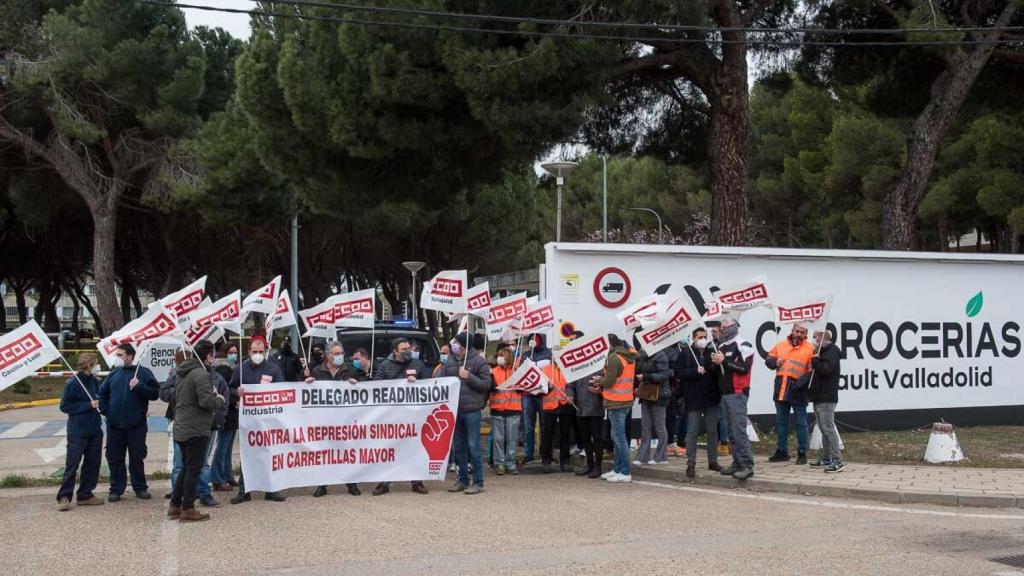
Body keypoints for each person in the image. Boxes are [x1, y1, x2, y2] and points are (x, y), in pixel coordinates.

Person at [168, 339, 226, 522]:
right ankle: (188, 507)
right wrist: (220, 400)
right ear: (209, 355)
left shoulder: (182, 372)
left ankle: (175, 504)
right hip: (196, 428)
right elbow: (206, 401)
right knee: (193, 469)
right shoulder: (200, 374)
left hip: (182, 426)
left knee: (186, 467)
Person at [371, 337, 433, 496]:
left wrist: (417, 383)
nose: (408, 351)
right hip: (392, 415)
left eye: (409, 348)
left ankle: (416, 481)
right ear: (395, 352)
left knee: (414, 447)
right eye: (404, 349)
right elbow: (376, 387)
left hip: (413, 415)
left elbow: (429, 386)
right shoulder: (385, 365)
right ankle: (384, 482)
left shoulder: (417, 364)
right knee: (389, 448)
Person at [98, 343, 160, 502]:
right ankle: (116, 489)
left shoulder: (144, 373)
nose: (117, 358)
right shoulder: (113, 374)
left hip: (136, 426)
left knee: (136, 457)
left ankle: (140, 487)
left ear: (130, 357)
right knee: (115, 458)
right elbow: (102, 393)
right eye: (116, 355)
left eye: (120, 355)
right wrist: (106, 411)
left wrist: (139, 386)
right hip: (115, 425)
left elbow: (154, 394)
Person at [230, 336, 287, 504]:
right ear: (248, 351)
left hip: (269, 419)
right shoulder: (241, 369)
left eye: (260, 352)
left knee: (270, 453)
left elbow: (282, 390)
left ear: (266, 352)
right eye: (254, 352)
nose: (257, 354)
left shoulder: (273, 369)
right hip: (248, 421)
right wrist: (236, 394)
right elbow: (229, 388)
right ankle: (244, 490)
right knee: (247, 455)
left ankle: (271, 489)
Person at [307, 341, 365, 498]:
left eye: (341, 353)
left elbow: (364, 392)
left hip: (345, 420)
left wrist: (356, 384)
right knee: (324, 452)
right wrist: (308, 384)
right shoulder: (317, 371)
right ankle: (322, 485)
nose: (340, 356)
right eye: (336, 354)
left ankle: (351, 483)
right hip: (324, 421)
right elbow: (305, 393)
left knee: (347, 452)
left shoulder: (350, 371)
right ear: (327, 355)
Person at [443, 332, 492, 494]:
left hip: (472, 410)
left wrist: (469, 376)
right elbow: (441, 379)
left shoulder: (479, 361)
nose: (454, 345)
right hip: (455, 410)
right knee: (459, 447)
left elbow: (486, 384)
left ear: (464, 345)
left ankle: (478, 482)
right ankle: (462, 480)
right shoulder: (451, 360)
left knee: (474, 446)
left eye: (457, 342)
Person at [56, 353, 105, 511]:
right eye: (96, 364)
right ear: (89, 365)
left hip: (95, 430)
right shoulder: (73, 383)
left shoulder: (95, 382)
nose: (98, 367)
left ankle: (85, 494)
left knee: (92, 464)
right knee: (72, 464)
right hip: (78, 431)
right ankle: (65, 496)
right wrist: (88, 405)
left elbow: (101, 401)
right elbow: (65, 406)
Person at [711, 319, 756, 480]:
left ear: (733, 327)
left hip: (738, 393)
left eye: (724, 327)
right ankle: (737, 462)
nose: (721, 329)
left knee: (739, 430)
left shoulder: (744, 344)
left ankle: (746, 465)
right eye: (721, 327)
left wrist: (724, 361)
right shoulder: (721, 347)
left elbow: (744, 368)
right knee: (730, 431)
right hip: (724, 394)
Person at [766, 323, 815, 464]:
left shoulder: (810, 348)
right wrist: (776, 362)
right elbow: (768, 361)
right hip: (781, 387)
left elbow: (812, 371)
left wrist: (799, 384)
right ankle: (782, 451)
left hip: (798, 389)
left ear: (806, 334)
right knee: (781, 422)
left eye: (802, 332)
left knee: (801, 423)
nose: (799, 334)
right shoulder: (780, 345)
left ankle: (802, 453)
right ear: (792, 331)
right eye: (797, 331)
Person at [676, 328, 721, 478]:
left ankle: (713, 461)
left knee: (712, 431)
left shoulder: (712, 351)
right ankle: (691, 463)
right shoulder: (686, 354)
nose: (703, 339)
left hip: (711, 398)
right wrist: (695, 371)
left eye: (705, 336)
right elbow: (678, 372)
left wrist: (715, 365)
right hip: (693, 398)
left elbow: (719, 373)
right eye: (700, 337)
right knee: (692, 431)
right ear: (694, 339)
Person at [594, 334, 636, 483]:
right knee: (617, 437)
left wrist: (600, 380)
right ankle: (617, 469)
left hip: (615, 401)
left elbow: (610, 381)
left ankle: (624, 472)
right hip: (625, 401)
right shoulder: (628, 357)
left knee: (619, 439)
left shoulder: (613, 358)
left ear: (610, 344)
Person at [808, 330, 843, 473]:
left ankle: (837, 460)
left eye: (816, 336)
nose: (813, 339)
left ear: (823, 338)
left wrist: (815, 360)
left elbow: (826, 370)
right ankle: (826, 458)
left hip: (827, 396)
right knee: (823, 429)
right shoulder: (822, 351)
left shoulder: (831, 352)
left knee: (828, 428)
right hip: (819, 395)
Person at [633, 334, 672, 466]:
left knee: (660, 427)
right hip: (645, 395)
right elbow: (637, 371)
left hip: (659, 396)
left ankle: (661, 456)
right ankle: (643, 456)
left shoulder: (661, 356)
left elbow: (664, 375)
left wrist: (646, 376)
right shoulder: (642, 357)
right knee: (645, 427)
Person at [567, 349, 604, 479]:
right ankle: (589, 465)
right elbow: (570, 385)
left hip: (595, 409)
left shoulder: (599, 366)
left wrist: (600, 389)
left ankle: (598, 467)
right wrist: (570, 395)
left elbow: (606, 383)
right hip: (580, 409)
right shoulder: (577, 368)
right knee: (585, 439)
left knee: (597, 438)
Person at [210, 343, 239, 491]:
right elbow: (225, 391)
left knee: (228, 447)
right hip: (227, 411)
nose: (234, 354)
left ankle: (227, 475)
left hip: (232, 412)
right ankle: (217, 477)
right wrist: (236, 398)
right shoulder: (224, 369)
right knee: (223, 446)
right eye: (231, 352)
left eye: (235, 352)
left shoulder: (232, 368)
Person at [539, 353, 574, 474]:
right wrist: (548, 387)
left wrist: (571, 395)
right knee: (548, 434)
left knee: (565, 434)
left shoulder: (569, 369)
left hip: (565, 404)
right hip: (550, 406)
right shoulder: (545, 370)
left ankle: (565, 461)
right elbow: (539, 389)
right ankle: (546, 460)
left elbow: (571, 385)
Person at [489, 345, 521, 475]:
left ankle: (510, 463)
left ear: (508, 358)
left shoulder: (517, 372)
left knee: (512, 439)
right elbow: (490, 388)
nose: (499, 358)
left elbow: (521, 390)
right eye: (498, 356)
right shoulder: (492, 372)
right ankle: (500, 464)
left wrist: (517, 377)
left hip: (513, 409)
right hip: (497, 409)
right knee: (498, 438)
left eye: (502, 356)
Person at [519, 334, 550, 463]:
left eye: (536, 338)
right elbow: (521, 370)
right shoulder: (526, 354)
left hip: (543, 394)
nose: (534, 341)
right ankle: (528, 453)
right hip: (528, 394)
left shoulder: (548, 353)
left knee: (545, 426)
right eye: (532, 338)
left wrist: (536, 364)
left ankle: (545, 452)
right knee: (528, 426)